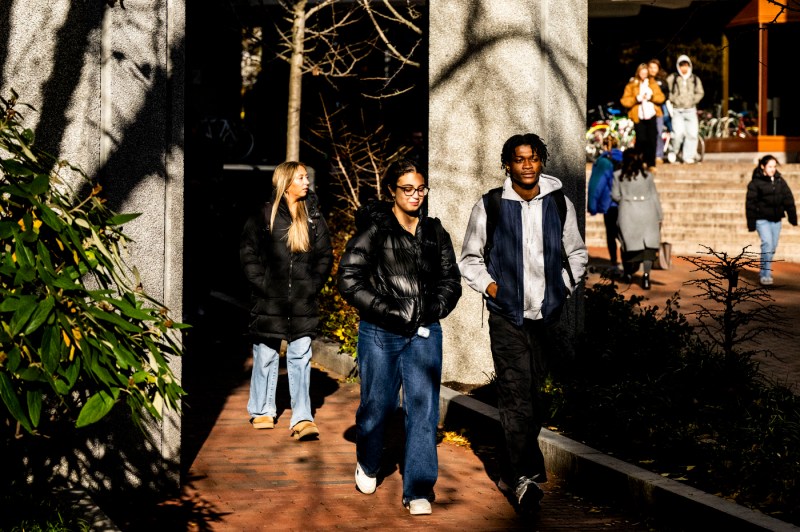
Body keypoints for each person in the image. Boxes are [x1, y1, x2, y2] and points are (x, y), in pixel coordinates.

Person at [458, 133, 588, 514]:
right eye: (519, 159)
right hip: (506, 316)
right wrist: (492, 288)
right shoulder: (491, 205)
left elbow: (577, 254)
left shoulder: (559, 203)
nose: (527, 165)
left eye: (533, 158)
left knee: (534, 396)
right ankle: (523, 479)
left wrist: (561, 288)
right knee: (515, 395)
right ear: (508, 164)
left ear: (541, 161)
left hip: (546, 317)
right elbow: (469, 258)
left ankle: (511, 467)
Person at [337, 158, 462, 516]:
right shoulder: (375, 231)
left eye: (421, 188)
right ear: (392, 191)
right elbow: (348, 279)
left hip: (424, 332)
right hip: (380, 332)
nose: (415, 195)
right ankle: (368, 462)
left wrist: (433, 307)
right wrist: (389, 311)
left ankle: (419, 488)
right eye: (407, 189)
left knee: (423, 409)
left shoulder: (435, 232)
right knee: (377, 406)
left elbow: (450, 280)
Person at [239, 161, 333, 439]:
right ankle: (262, 409)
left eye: (306, 177)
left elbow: (325, 255)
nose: (306, 182)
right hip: (269, 301)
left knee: (300, 357)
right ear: (286, 182)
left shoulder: (313, 216)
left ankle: (302, 417)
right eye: (300, 178)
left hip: (302, 302)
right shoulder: (265, 215)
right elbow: (248, 251)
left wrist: (312, 286)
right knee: (265, 355)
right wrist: (262, 284)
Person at [611, 148, 663, 289]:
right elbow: (654, 195)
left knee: (628, 245)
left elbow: (615, 195)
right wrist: (660, 215)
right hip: (648, 212)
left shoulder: (618, 176)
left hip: (627, 213)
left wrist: (626, 199)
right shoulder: (648, 176)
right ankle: (646, 277)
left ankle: (628, 274)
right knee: (648, 248)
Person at [745, 155, 797, 285]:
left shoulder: (779, 180)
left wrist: (792, 217)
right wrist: (751, 223)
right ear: (763, 166)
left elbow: (788, 199)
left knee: (772, 247)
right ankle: (766, 274)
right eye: (770, 166)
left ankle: (764, 270)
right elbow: (750, 204)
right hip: (762, 220)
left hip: (776, 220)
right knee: (767, 244)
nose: (773, 169)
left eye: (774, 166)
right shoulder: (755, 183)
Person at [620, 63, 665, 168]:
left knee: (652, 139)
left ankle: (651, 163)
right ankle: (639, 162)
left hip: (651, 114)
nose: (644, 75)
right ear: (638, 73)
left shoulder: (653, 84)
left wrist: (651, 97)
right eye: (642, 72)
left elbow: (661, 97)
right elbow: (624, 100)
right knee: (641, 139)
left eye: (645, 73)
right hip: (638, 115)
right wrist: (636, 98)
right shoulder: (632, 85)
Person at [587, 145, 624, 273]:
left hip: (609, 205)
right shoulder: (623, 160)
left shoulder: (603, 163)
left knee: (611, 235)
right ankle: (627, 262)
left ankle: (614, 261)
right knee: (622, 234)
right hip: (623, 204)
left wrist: (592, 206)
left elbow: (597, 185)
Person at [666, 54, 704, 164]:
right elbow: (667, 91)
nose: (684, 68)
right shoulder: (672, 78)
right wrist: (674, 100)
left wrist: (693, 101)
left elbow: (700, 92)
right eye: (681, 65)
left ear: (689, 66)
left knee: (692, 134)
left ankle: (688, 156)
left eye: (686, 65)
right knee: (677, 134)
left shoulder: (695, 79)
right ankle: (673, 152)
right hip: (677, 110)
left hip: (691, 110)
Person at [647, 58, 671, 162]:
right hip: (644, 110)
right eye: (651, 67)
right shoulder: (643, 80)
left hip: (658, 109)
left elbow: (665, 95)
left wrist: (653, 98)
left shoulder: (662, 81)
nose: (652, 70)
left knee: (658, 132)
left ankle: (658, 155)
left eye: (655, 68)